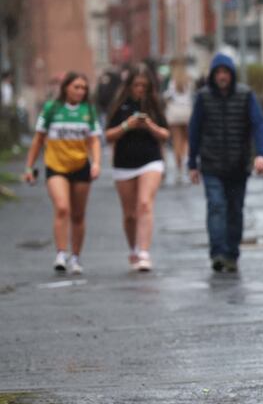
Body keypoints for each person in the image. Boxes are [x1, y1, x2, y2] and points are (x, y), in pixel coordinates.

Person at [188, 53, 263, 273]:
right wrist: (192, 163)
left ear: (231, 74)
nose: (222, 76)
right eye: (218, 73)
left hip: (238, 164)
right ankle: (218, 253)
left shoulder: (245, 95)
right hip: (212, 164)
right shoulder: (203, 98)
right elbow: (194, 131)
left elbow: (259, 124)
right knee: (216, 206)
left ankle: (232, 253)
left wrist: (261, 154)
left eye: (225, 72)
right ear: (212, 75)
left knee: (235, 210)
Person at [22, 72, 102, 274]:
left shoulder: (88, 111)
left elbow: (93, 140)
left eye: (84, 88)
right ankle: (61, 253)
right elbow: (38, 140)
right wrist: (29, 167)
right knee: (62, 207)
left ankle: (76, 257)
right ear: (66, 87)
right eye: (76, 87)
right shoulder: (51, 108)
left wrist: (96, 163)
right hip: (56, 166)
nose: (80, 91)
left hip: (80, 166)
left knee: (78, 214)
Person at [105, 64, 170, 272]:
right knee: (130, 214)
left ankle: (144, 252)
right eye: (136, 85)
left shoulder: (154, 104)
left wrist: (149, 125)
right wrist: (127, 125)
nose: (140, 89)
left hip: (151, 160)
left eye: (144, 85)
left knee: (144, 204)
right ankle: (133, 247)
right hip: (124, 162)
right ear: (129, 86)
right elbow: (107, 136)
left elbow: (165, 134)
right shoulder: (119, 105)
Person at [163, 60, 195, 184]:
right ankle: (187, 161)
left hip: (175, 113)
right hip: (187, 112)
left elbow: (168, 96)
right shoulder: (189, 80)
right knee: (187, 141)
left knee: (177, 141)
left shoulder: (172, 82)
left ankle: (179, 169)